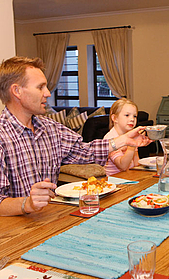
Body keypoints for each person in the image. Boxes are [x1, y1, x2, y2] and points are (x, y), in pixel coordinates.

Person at [0, 56, 151, 216]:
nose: (48, 93)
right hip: (13, 232)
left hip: (50, 218)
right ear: (17, 91)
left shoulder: (51, 128)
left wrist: (124, 140)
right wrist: (27, 203)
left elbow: (85, 151)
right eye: (40, 87)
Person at [104, 98, 140, 175]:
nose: (132, 119)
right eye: (127, 115)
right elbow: (123, 166)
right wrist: (132, 146)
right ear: (115, 118)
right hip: (114, 179)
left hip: (129, 175)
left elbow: (136, 163)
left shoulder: (132, 135)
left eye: (134, 116)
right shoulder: (110, 139)